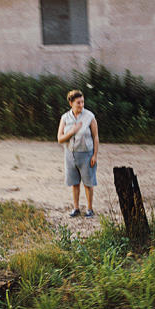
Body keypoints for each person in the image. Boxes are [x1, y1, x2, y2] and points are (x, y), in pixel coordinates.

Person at [56, 89, 100, 217]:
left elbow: (95, 137)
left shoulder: (90, 117)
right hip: (70, 154)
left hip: (86, 154)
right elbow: (60, 139)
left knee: (88, 183)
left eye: (82, 102)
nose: (81, 105)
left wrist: (95, 155)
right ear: (71, 103)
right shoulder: (65, 118)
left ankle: (90, 209)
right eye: (78, 103)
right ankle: (76, 208)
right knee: (75, 183)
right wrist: (72, 131)